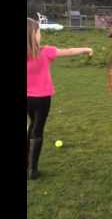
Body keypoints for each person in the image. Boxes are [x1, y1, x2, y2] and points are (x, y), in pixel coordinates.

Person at [27, 17, 93, 180]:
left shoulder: (43, 51)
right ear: (33, 34)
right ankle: (32, 170)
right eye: (39, 32)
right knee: (37, 130)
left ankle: (28, 166)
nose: (40, 34)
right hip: (42, 99)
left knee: (32, 125)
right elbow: (69, 51)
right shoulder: (46, 51)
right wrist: (86, 49)